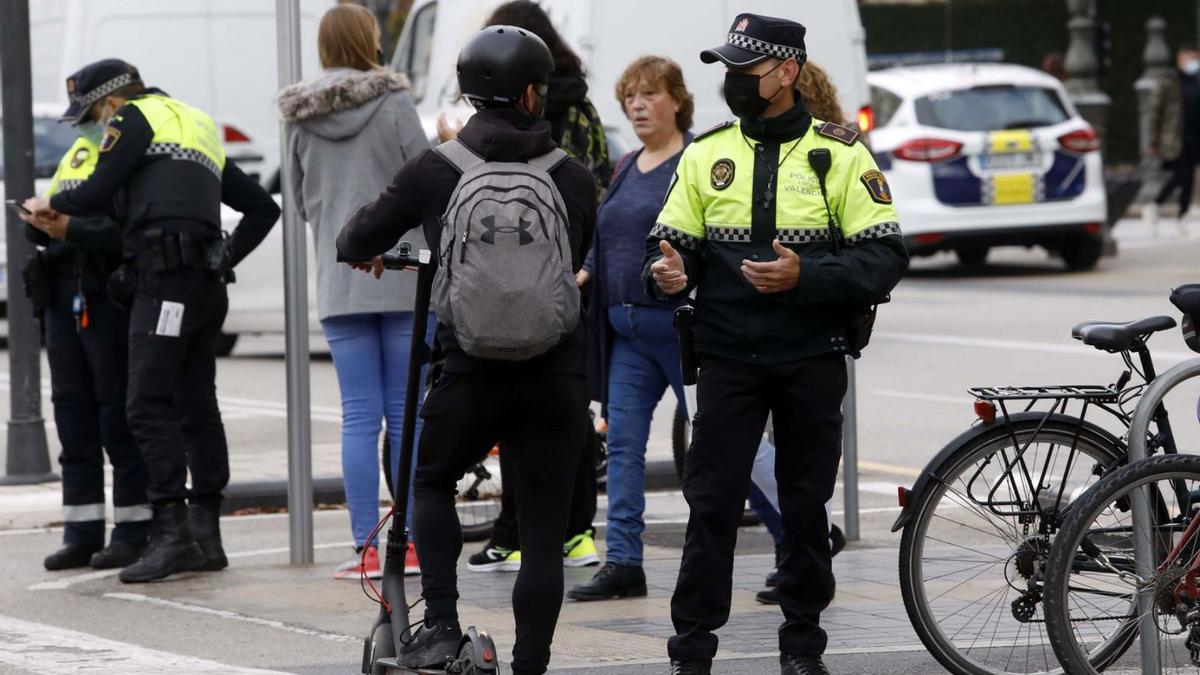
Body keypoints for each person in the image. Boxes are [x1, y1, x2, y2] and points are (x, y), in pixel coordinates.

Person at [643, 15, 907, 675]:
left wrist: (805, 275)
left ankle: (801, 646)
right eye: (728, 70)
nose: (732, 82)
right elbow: (671, 245)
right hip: (729, 357)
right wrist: (670, 270)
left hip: (811, 354)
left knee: (804, 504)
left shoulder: (841, 153)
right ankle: (692, 651)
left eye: (746, 70)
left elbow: (885, 258)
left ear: (787, 72)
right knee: (710, 504)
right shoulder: (705, 153)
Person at [337, 26, 596, 675]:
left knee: (429, 479)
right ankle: (530, 661)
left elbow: (354, 237)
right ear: (534, 94)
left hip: (468, 369)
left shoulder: (437, 167)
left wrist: (380, 248)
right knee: (540, 523)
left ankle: (442, 625)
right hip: (553, 373)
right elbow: (575, 259)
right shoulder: (571, 176)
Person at [25, 59, 281, 584]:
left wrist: (50, 206)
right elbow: (262, 208)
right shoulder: (196, 124)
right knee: (196, 404)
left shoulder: (133, 118)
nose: (95, 126)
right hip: (205, 286)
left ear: (111, 103)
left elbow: (96, 191)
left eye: (92, 115)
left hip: (163, 284)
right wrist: (223, 256)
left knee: (145, 403)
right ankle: (206, 536)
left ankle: (173, 536)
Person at [277, 3, 431, 581]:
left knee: (357, 418)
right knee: (406, 413)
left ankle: (365, 546)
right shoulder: (393, 102)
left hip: (340, 278)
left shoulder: (297, 115)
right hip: (402, 273)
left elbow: (297, 197)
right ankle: (408, 541)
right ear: (370, 40)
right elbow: (426, 176)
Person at [462, 0, 606, 574]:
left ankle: (520, 533)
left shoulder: (510, 119)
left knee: (515, 414)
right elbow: (594, 185)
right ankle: (570, 533)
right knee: (566, 412)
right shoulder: (580, 107)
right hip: (571, 276)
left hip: (511, 276)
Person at [565, 55, 695, 600]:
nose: (638, 105)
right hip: (627, 330)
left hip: (681, 328)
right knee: (622, 446)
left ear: (677, 101)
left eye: (650, 94)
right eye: (630, 97)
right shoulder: (625, 164)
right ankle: (623, 561)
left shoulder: (694, 162)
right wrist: (586, 270)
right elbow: (606, 232)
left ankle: (799, 542)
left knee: (721, 445)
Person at [24, 95, 150, 572]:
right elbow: (59, 209)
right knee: (72, 415)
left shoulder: (127, 154)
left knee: (116, 414)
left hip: (104, 295)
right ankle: (82, 531)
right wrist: (39, 226)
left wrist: (70, 229)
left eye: (87, 120)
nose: (83, 130)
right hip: (61, 294)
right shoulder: (78, 154)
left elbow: (120, 232)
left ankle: (135, 529)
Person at [1146, 44, 1200, 237]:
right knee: (1180, 176)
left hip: (1194, 138)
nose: (1195, 63)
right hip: (1174, 138)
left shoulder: (1196, 81)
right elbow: (1154, 112)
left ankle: (1182, 217)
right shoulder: (1169, 82)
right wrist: (1153, 140)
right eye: (1191, 58)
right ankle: (1154, 206)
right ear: (1181, 59)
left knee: (1188, 180)